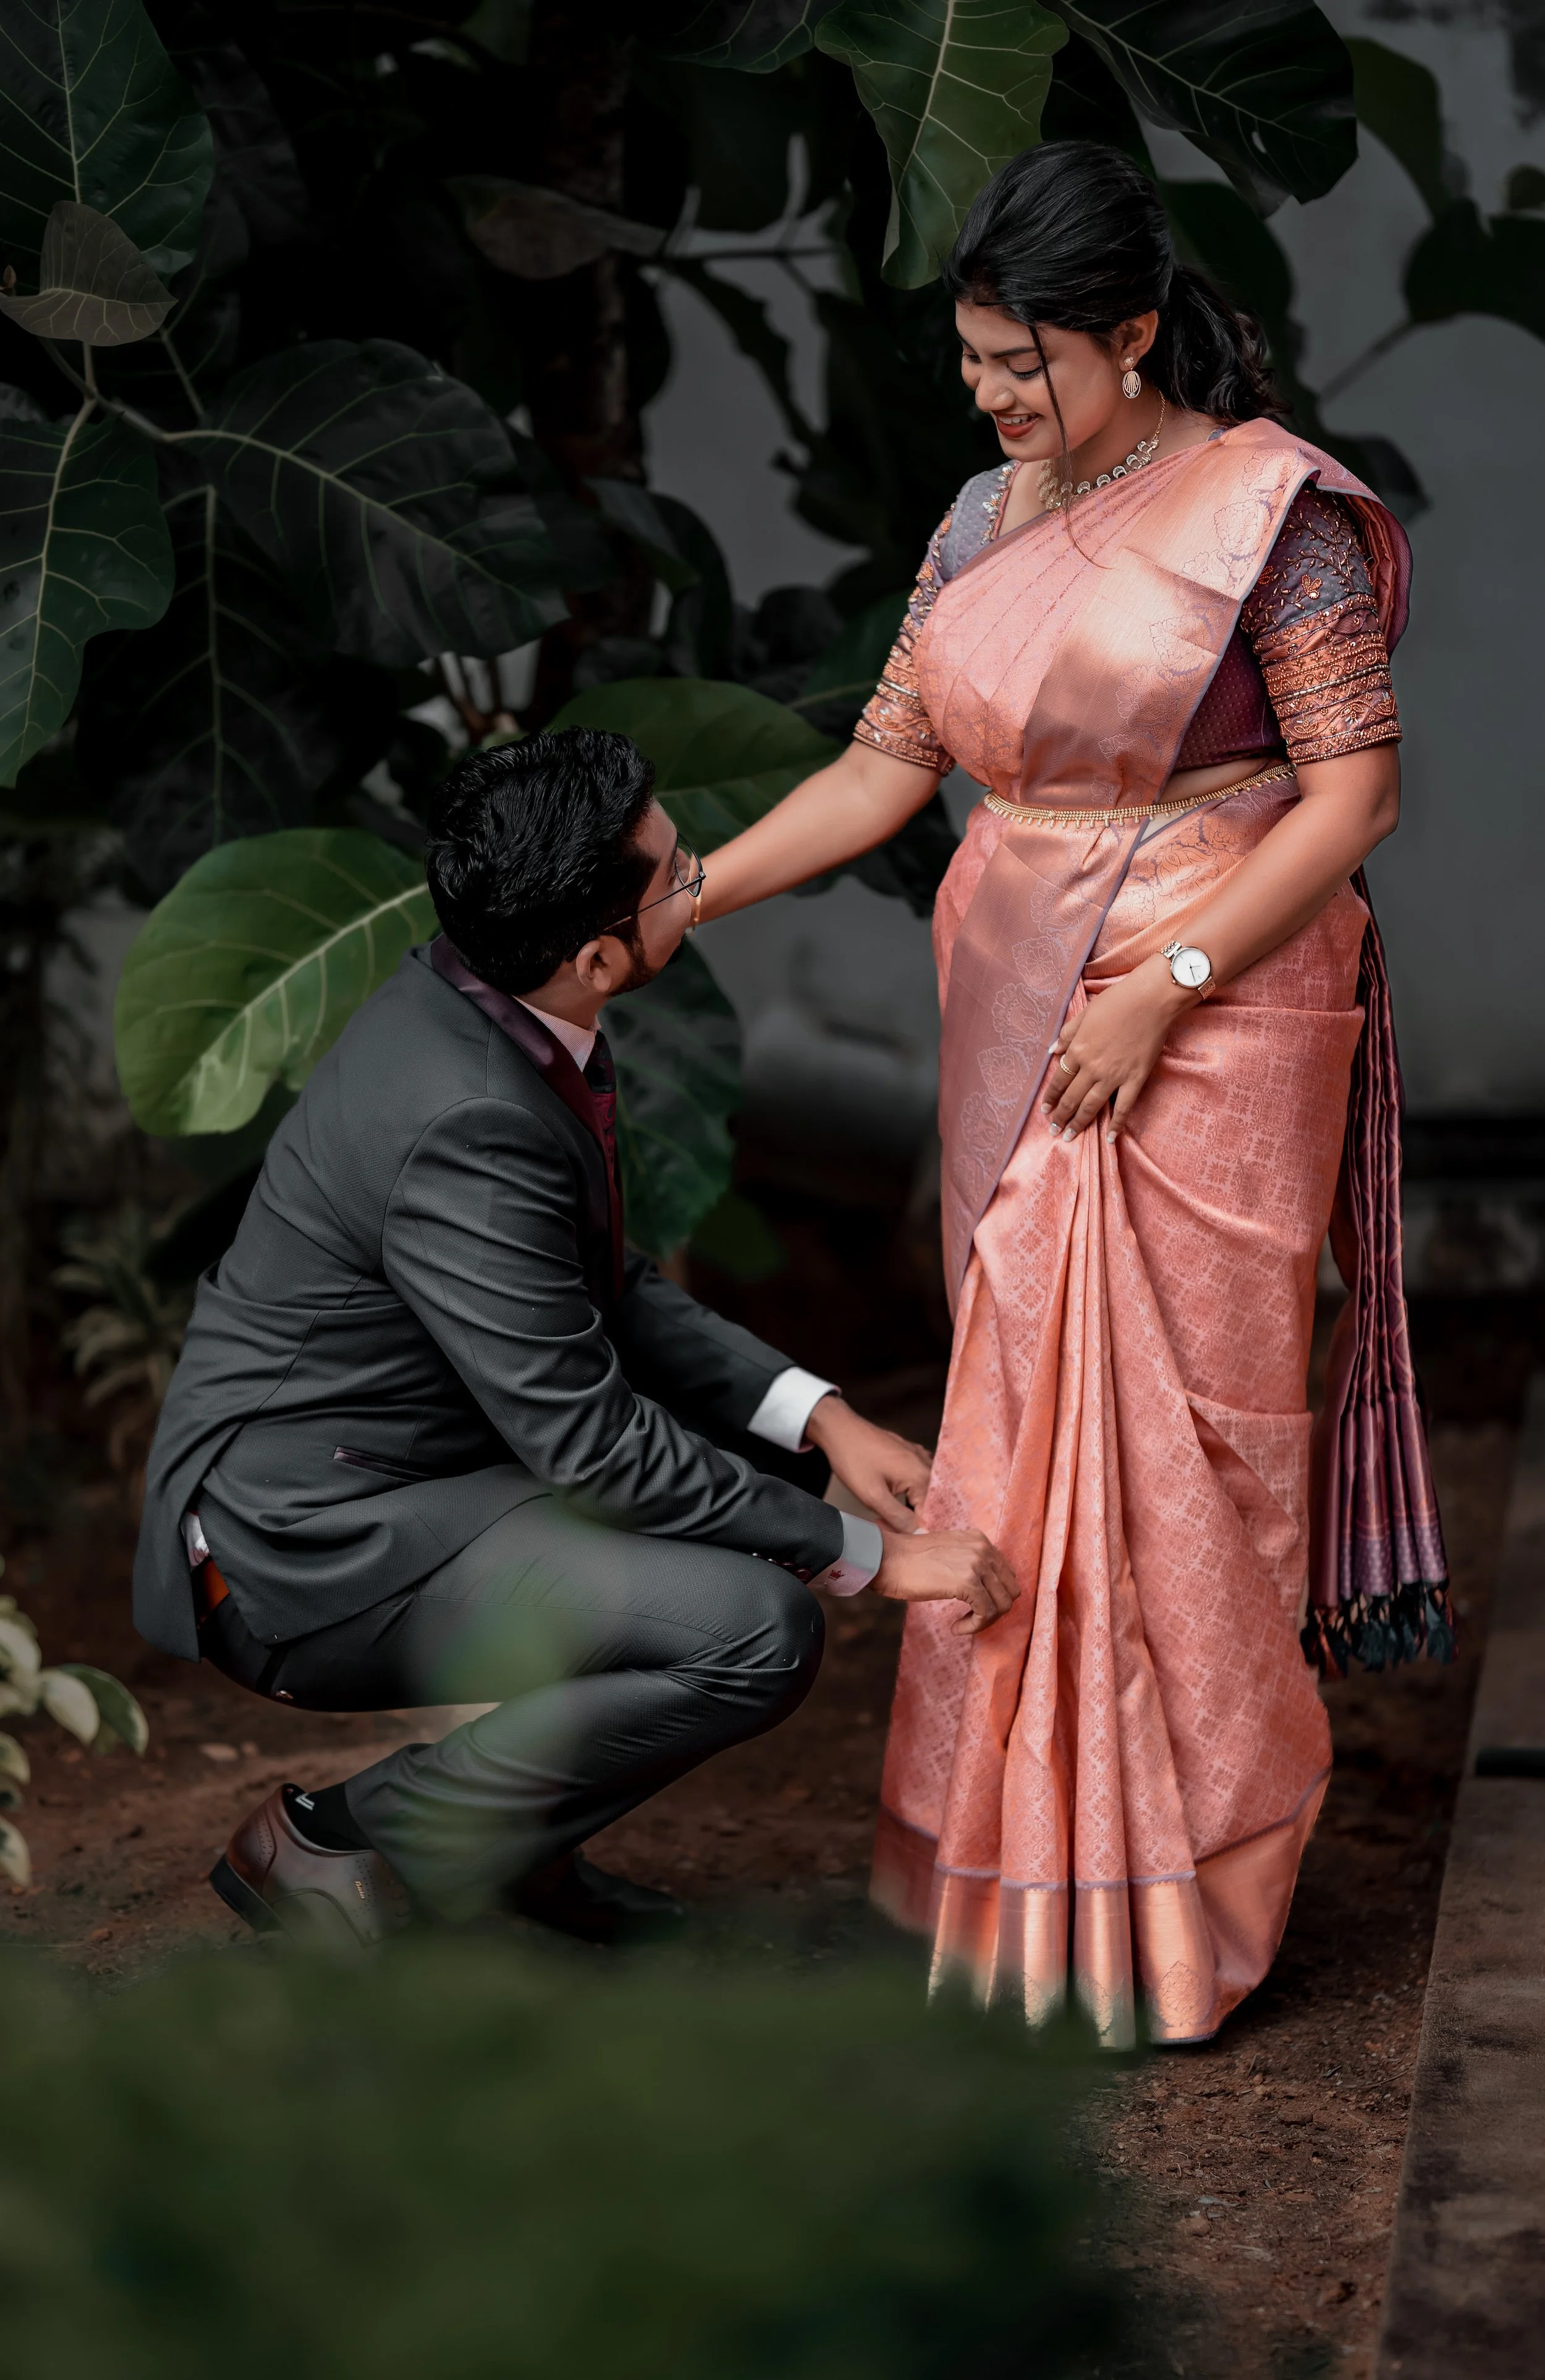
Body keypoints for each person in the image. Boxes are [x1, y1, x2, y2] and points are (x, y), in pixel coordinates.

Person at [692, 143, 1451, 2046]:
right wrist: (693, 886)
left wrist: (1168, 988)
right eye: (970, 360)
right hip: (1012, 978)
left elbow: (1350, 798)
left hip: (1214, 998)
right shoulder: (975, 519)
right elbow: (885, 771)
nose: (990, 395)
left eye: (1023, 362)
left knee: (1184, 1446)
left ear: (1130, 331)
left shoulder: (1264, 515)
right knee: (1021, 1421)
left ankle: (1177, 1905)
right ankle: (1019, 1886)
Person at [133, 727, 1017, 1947]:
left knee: (715, 1556)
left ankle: (486, 1854)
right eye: (676, 876)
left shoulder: (479, 996)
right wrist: (861, 1550)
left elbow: (604, 1289)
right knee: (750, 1631)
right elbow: (593, 1444)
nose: (698, 878)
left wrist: (816, 1417)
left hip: (413, 1475)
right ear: (600, 957)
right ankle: (346, 1837)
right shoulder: (464, 1114)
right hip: (302, 1550)